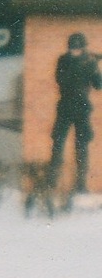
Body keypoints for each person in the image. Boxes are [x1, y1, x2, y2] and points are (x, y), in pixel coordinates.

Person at [47, 32, 102, 193]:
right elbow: (62, 80)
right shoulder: (63, 60)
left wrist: (95, 67)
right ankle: (52, 182)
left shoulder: (90, 62)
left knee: (82, 147)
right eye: (73, 49)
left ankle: (81, 185)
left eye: (78, 49)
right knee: (57, 144)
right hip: (65, 107)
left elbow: (98, 85)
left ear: (82, 48)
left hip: (82, 108)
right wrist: (84, 64)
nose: (75, 51)